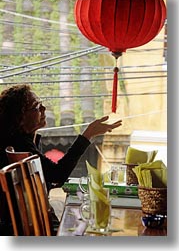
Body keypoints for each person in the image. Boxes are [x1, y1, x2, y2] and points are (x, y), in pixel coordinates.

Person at [0, 84, 122, 235]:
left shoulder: (25, 141)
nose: (44, 109)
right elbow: (58, 174)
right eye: (36, 106)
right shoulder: (20, 145)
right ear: (20, 118)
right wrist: (87, 135)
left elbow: (53, 178)